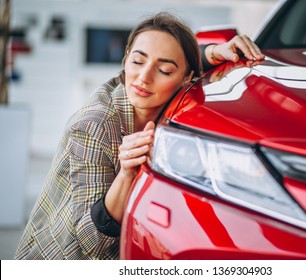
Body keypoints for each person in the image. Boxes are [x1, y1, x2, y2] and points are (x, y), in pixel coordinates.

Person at [15, 12, 263, 260]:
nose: (144, 78)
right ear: (125, 59)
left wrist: (215, 52)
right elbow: (92, 243)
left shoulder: (180, 88)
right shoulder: (94, 125)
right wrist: (125, 174)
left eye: (164, 70)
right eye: (137, 61)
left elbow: (180, 56)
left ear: (187, 78)